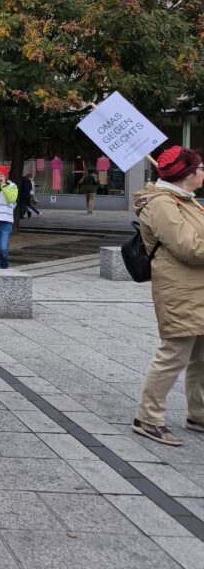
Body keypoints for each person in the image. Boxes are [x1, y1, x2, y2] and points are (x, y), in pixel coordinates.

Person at [130, 146, 204, 447]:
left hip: (195, 287)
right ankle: (148, 418)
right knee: (174, 353)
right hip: (180, 290)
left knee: (201, 355)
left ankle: (198, 414)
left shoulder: (184, 200)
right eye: (200, 167)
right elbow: (190, 247)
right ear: (186, 174)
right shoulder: (161, 204)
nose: (203, 171)